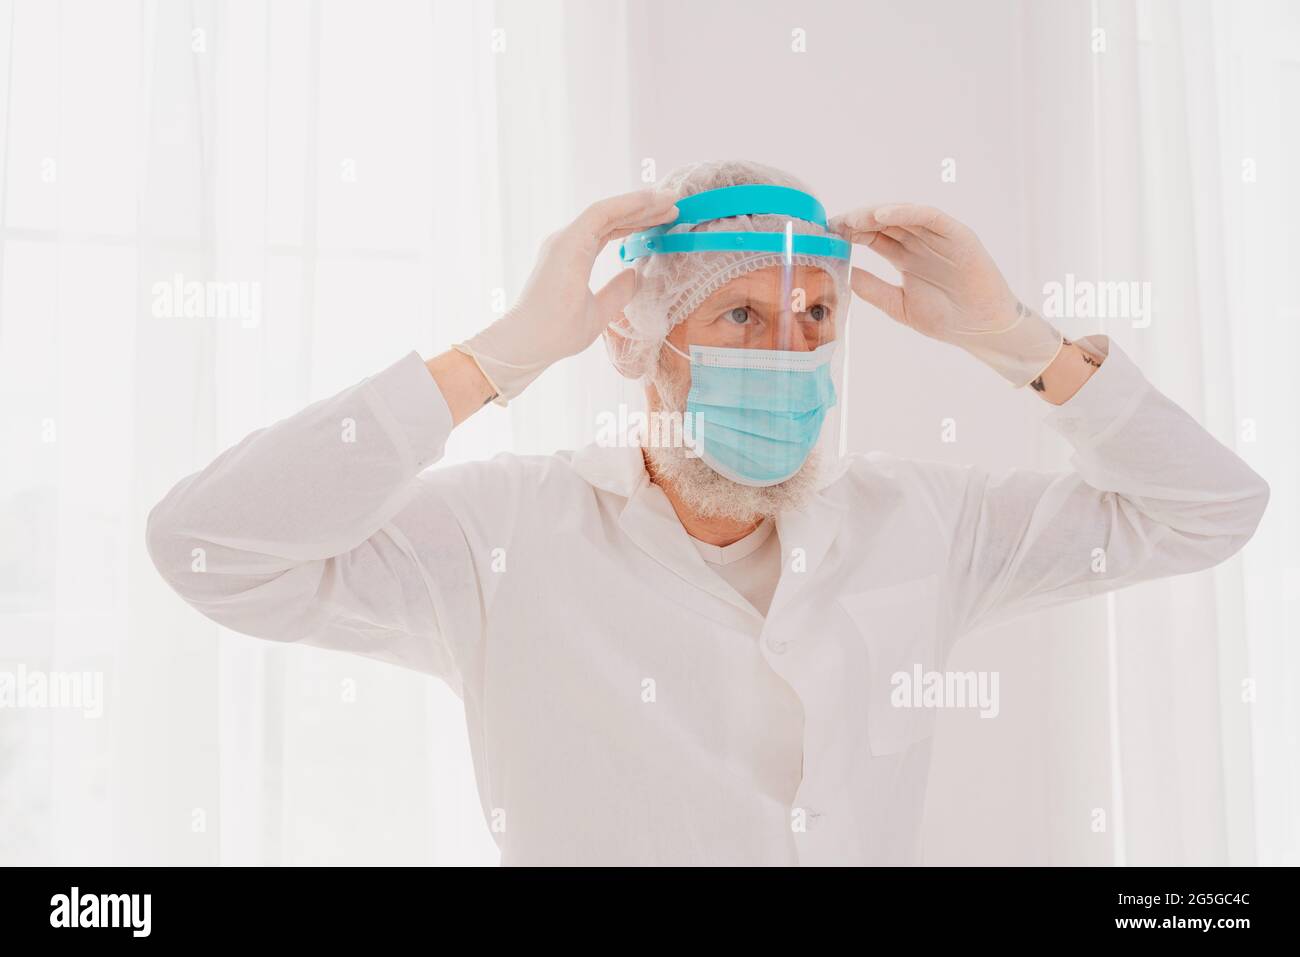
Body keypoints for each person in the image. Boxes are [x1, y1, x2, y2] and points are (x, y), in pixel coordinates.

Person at [146, 160, 1269, 866]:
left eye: (816, 315)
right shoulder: (505, 537)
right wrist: (497, 358)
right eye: (740, 314)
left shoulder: (921, 523)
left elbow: (1209, 510)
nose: (789, 352)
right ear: (644, 340)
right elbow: (212, 547)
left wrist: (1012, 337)